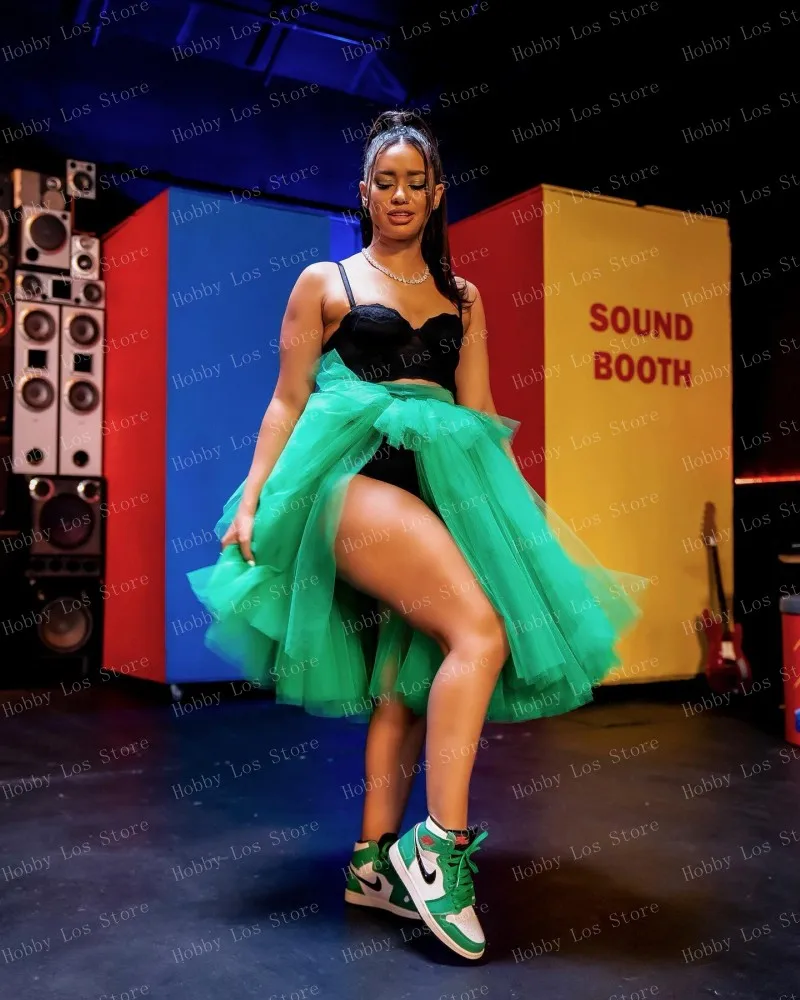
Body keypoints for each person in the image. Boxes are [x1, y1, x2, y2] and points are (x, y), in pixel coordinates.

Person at [188, 109, 643, 961]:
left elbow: (476, 417)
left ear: (436, 196)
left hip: (436, 494)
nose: (399, 196)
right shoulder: (327, 281)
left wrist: (500, 527)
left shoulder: (463, 299)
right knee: (479, 631)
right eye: (384, 183)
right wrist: (251, 501)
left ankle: (372, 863)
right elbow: (287, 402)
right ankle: (438, 845)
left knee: (409, 674)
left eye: (414, 183)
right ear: (364, 194)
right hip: (343, 484)